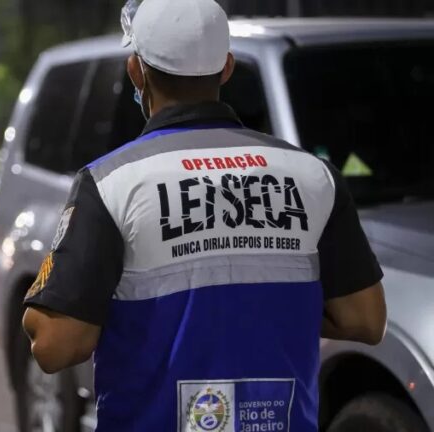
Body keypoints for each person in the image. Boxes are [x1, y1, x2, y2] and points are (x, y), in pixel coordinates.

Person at [22, 0, 387, 430]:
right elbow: (366, 319)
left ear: (137, 71)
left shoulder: (111, 183)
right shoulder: (313, 176)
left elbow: (55, 346)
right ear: (227, 68)